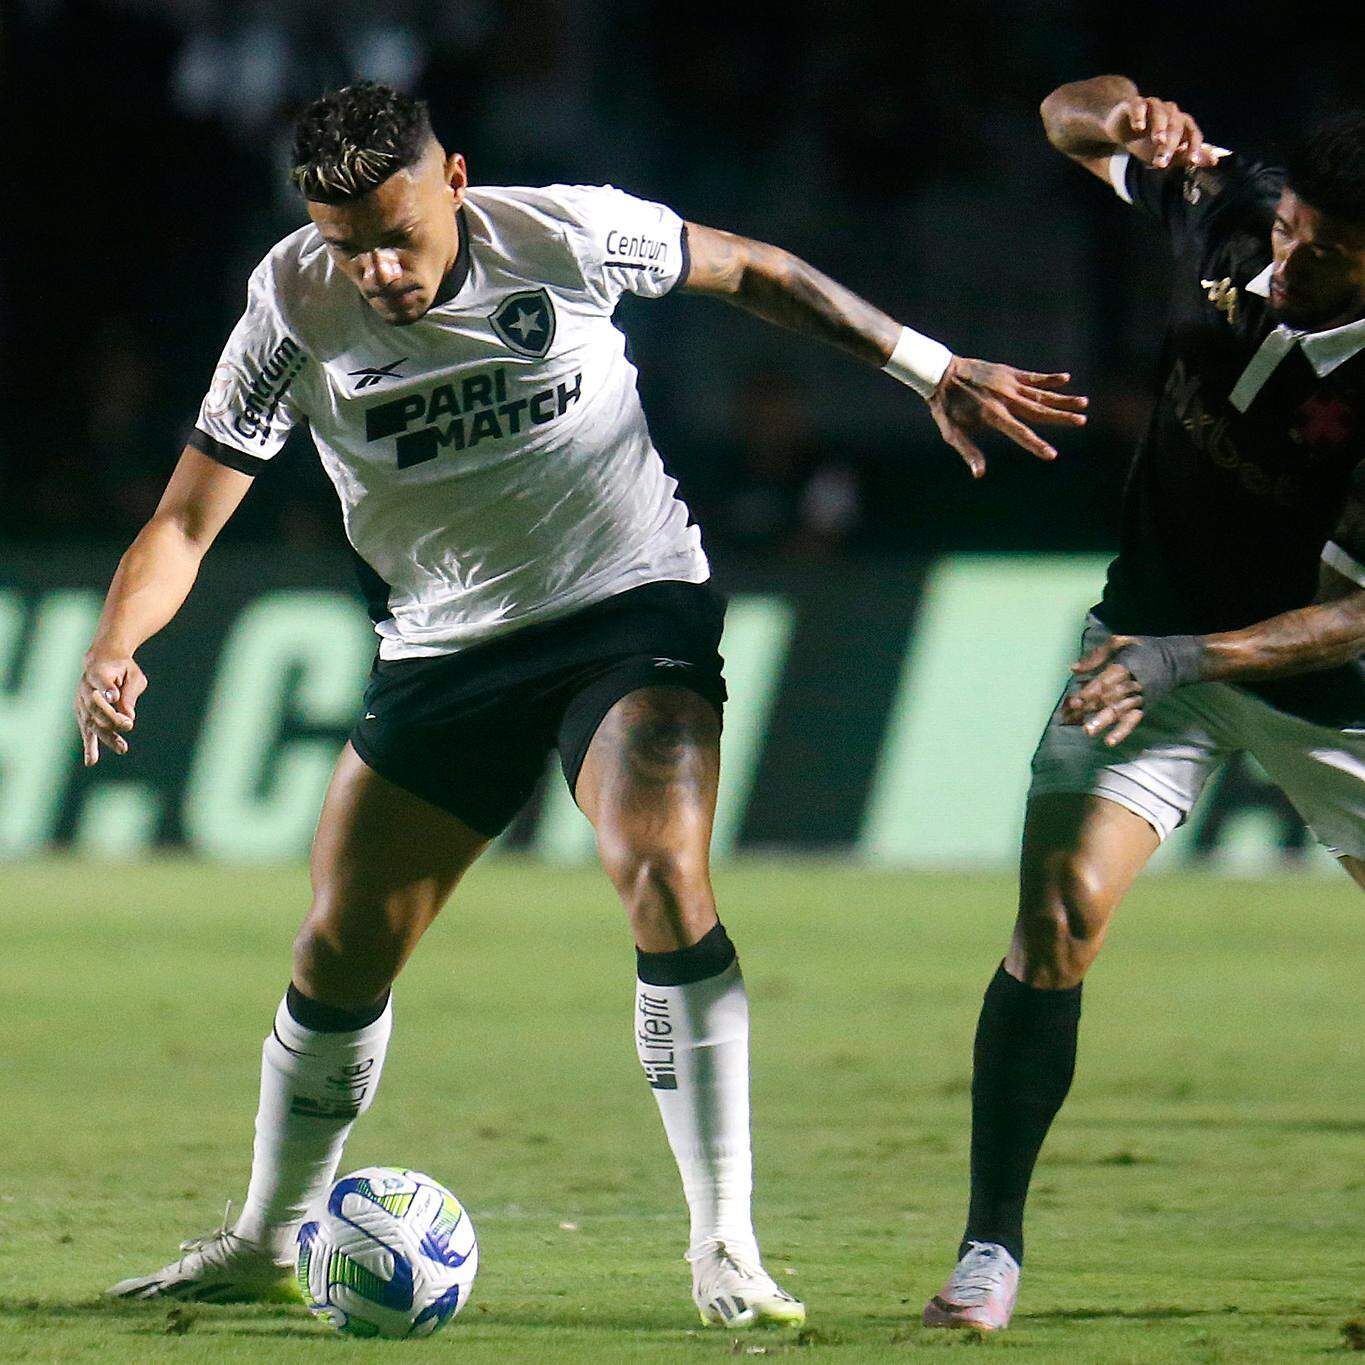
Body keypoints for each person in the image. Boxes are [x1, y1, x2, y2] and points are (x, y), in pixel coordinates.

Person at [75, 80, 1086, 1327]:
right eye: (350, 244)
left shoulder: (561, 233)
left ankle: (725, 1247)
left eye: (399, 232)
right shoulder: (291, 302)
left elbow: (756, 269)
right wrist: (118, 642)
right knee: (338, 950)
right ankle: (267, 1235)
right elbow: (187, 514)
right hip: (445, 648)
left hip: (628, 605)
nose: (380, 270)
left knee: (658, 870)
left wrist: (924, 366)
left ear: (456, 182)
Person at [923, 76, 1365, 1332]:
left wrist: (1192, 658)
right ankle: (988, 1258)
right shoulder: (1246, 215)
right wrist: (1123, 117)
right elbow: (1061, 112)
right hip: (1147, 642)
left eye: (1328, 258)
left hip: (1323, 686)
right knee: (1057, 914)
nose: (1289, 261)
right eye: (1292, 232)